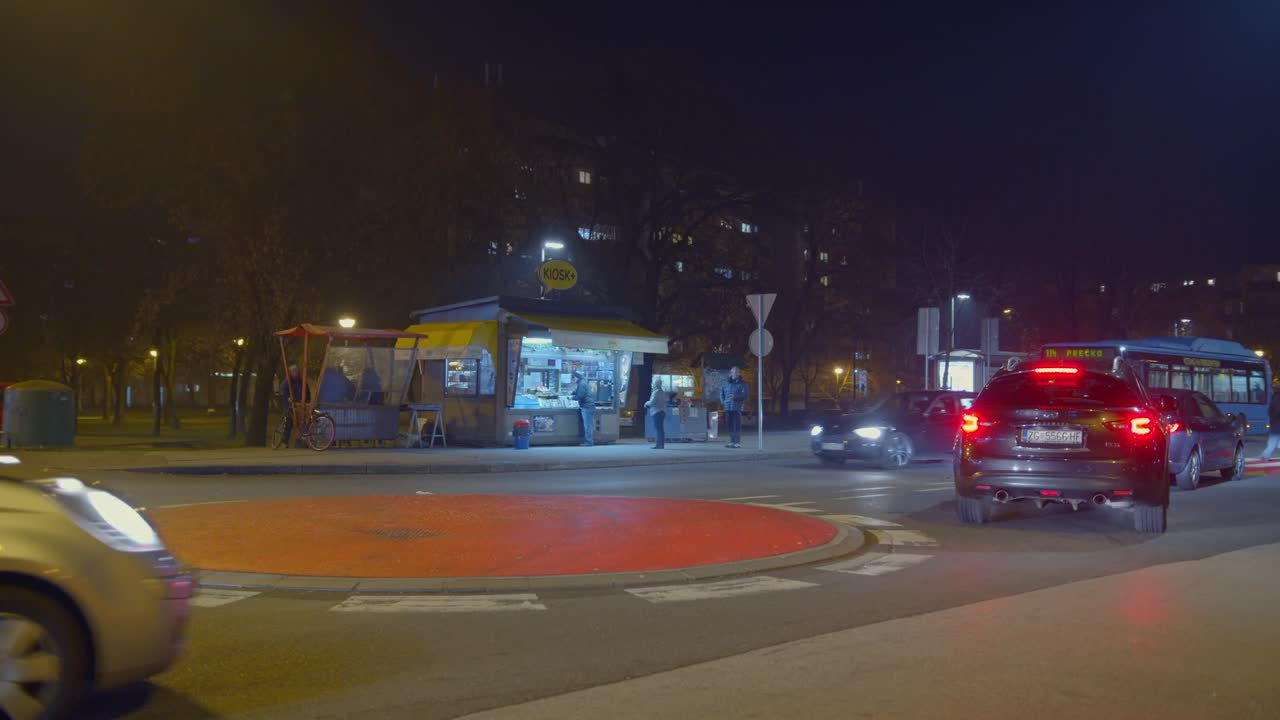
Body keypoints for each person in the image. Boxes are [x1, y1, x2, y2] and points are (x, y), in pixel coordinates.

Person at [277, 365, 307, 446]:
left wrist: (307, 401)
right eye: (294, 371)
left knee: (303, 421)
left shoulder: (301, 381)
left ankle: (299, 440)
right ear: (290, 372)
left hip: (300, 405)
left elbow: (307, 392)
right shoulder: (287, 382)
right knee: (289, 420)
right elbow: (283, 392)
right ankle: (284, 441)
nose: (296, 373)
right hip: (290, 405)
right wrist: (288, 399)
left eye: (296, 371)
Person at [720, 366, 749, 448]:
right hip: (727, 408)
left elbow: (745, 396)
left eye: (737, 372)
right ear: (730, 373)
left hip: (737, 408)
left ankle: (737, 442)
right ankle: (732, 441)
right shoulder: (725, 383)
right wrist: (723, 402)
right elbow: (721, 394)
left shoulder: (743, 384)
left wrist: (735, 397)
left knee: (736, 425)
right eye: (733, 372)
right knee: (729, 425)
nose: (735, 373)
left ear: (739, 373)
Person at [572, 370, 594, 446]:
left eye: (573, 377)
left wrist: (572, 398)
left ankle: (589, 442)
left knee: (587, 425)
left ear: (577, 377)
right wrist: (574, 392)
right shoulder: (583, 382)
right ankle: (588, 441)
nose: (573, 379)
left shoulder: (582, 384)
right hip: (587, 405)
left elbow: (580, 395)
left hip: (587, 406)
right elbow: (579, 392)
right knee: (588, 424)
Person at [645, 378, 666, 449]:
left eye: (654, 383)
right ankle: (661, 444)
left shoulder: (656, 392)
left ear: (656, 384)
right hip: (662, 411)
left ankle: (658, 445)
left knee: (658, 429)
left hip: (656, 412)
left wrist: (646, 403)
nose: (652, 384)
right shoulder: (662, 392)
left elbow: (652, 402)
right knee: (661, 429)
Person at [1260, 390, 1280, 461]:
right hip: (1277, 424)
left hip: (1275, 424)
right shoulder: (1278, 401)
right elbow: (1277, 412)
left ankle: (1265, 455)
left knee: (1273, 442)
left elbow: (1270, 412)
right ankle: (1265, 455)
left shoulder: (1274, 400)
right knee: (1273, 442)